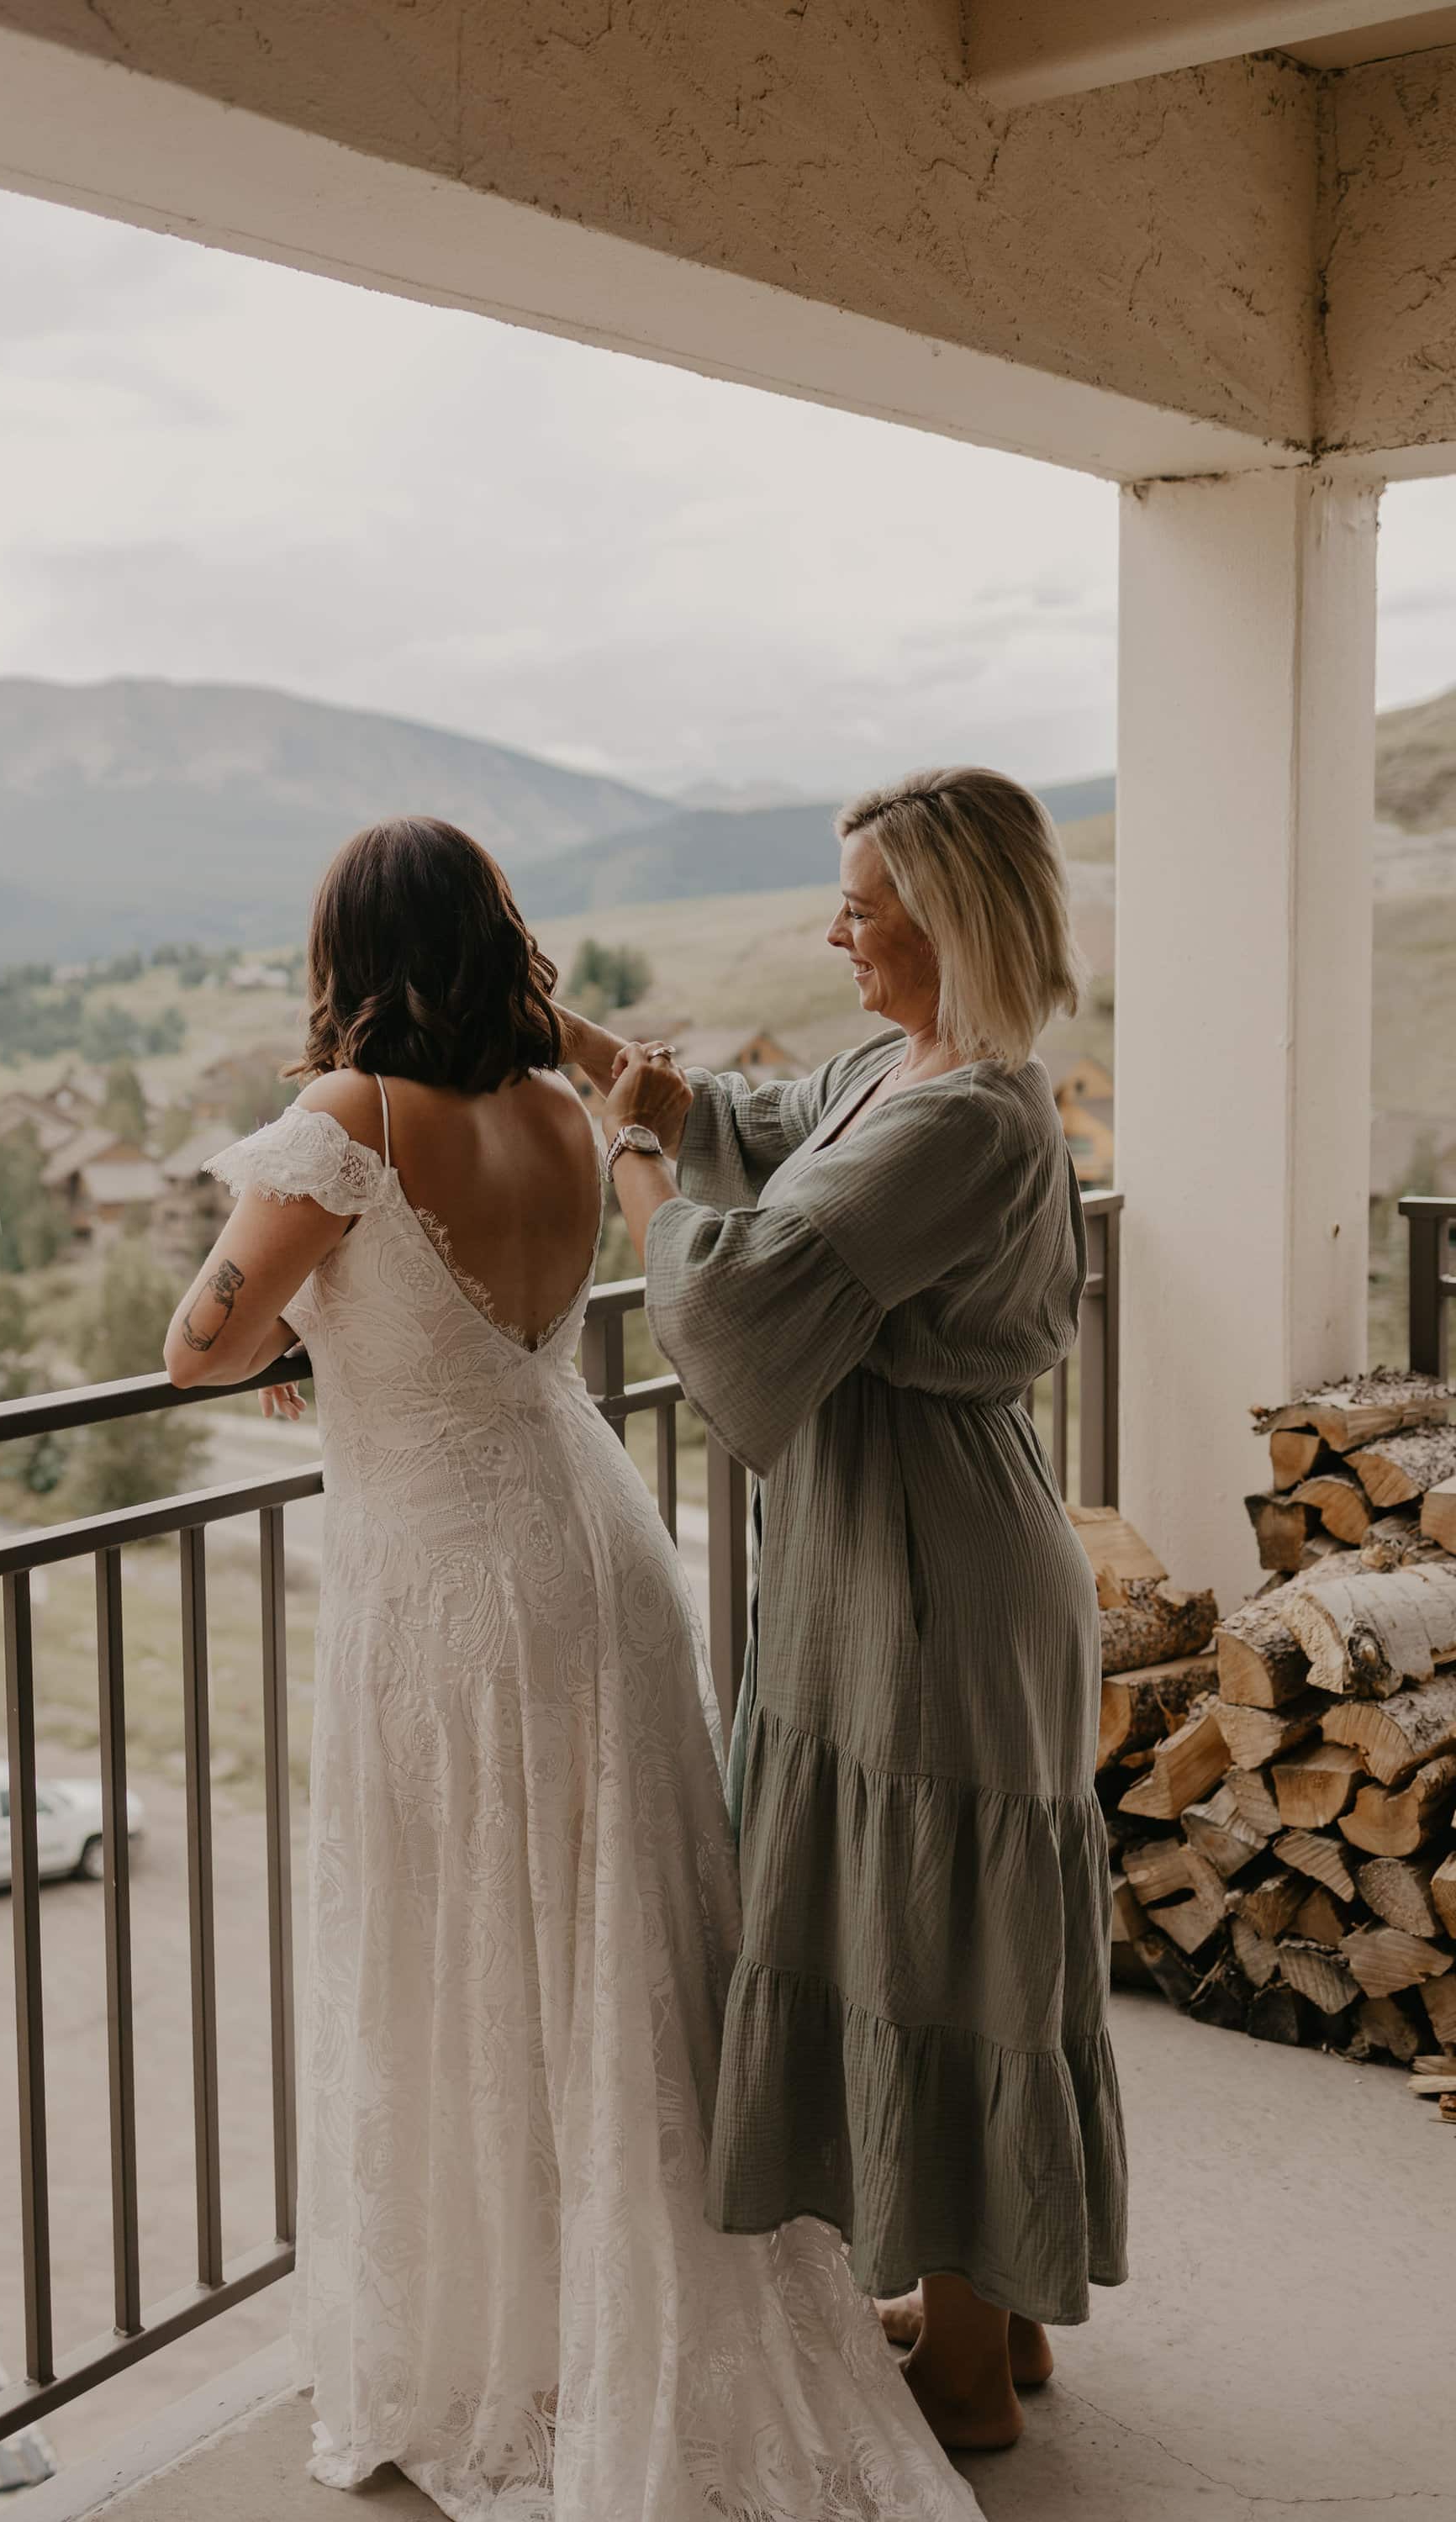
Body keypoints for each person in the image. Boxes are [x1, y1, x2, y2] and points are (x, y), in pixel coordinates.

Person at [163, 815, 979, 2522]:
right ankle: (623, 2312)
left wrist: (298, 1334)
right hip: (592, 1541)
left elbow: (198, 1343)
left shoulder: (345, 1121)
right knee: (611, 1950)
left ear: (348, 959)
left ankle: (509, 2335)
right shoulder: (554, 1108)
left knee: (471, 1949)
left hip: (451, 1589)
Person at [563, 768, 1127, 2456]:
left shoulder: (963, 1117)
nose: (834, 932)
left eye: (860, 908)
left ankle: (961, 2375)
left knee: (940, 1937)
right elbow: (758, 1115)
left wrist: (637, 1159)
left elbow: (731, 1298)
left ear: (943, 918)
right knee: (960, 1938)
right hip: (910, 1546)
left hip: (931, 1571)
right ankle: (996, 2305)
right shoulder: (905, 1072)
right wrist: (590, 1047)